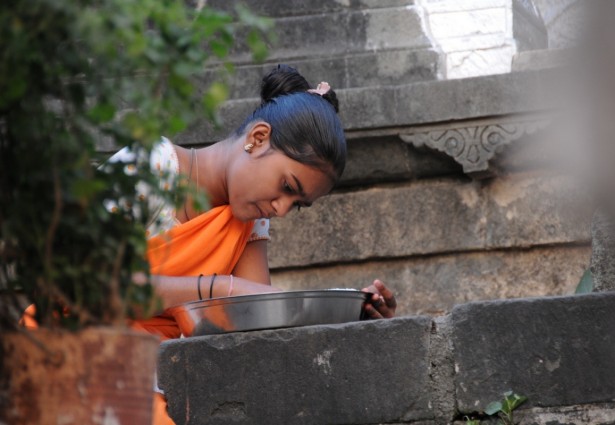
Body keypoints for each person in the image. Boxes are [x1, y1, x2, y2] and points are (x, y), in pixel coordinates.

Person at [105, 65, 397, 424]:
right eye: (287, 187)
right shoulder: (148, 165)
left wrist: (354, 313)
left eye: (297, 205)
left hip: (159, 370)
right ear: (258, 139)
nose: (282, 209)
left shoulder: (247, 220)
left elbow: (259, 327)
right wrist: (216, 288)